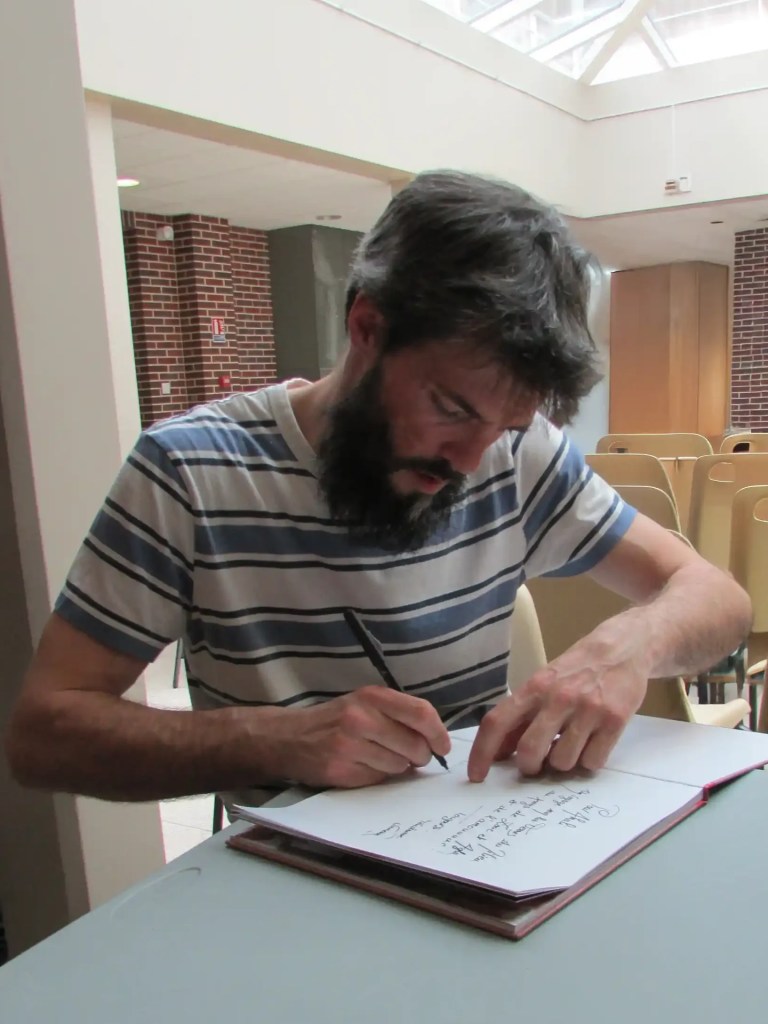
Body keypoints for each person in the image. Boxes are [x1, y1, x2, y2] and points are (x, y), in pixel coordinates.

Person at [6, 171, 750, 808]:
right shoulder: (188, 472)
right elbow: (42, 736)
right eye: (451, 408)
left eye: (505, 424)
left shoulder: (518, 456)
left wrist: (632, 646)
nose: (471, 459)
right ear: (367, 326)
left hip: (481, 854)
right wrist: (272, 740)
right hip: (284, 887)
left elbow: (721, 601)